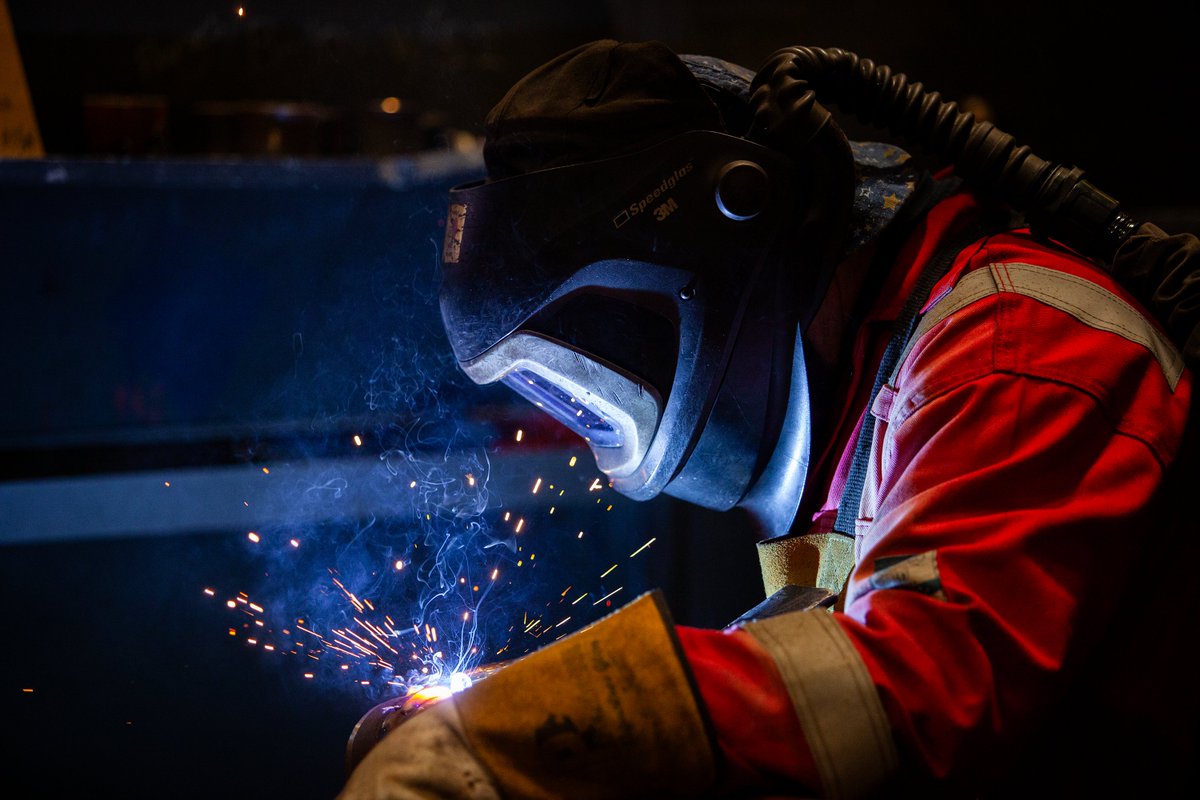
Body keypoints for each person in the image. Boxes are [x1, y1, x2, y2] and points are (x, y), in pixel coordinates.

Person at [339, 40, 1195, 798]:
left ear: (732, 225)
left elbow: (912, 703)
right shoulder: (844, 425)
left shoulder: (1011, 351)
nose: (603, 440)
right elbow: (810, 673)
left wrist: (561, 716)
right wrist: (557, 716)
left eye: (597, 365)